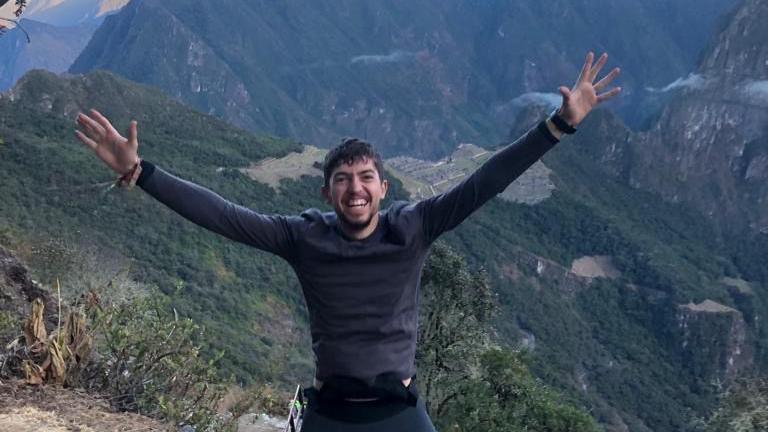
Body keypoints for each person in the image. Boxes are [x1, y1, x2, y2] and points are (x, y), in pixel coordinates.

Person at [75, 52, 620, 431]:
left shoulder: (415, 226)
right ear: (327, 190)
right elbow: (222, 214)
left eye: (365, 179)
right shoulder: (303, 237)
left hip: (398, 411)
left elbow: (487, 181)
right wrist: (142, 172)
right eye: (343, 179)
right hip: (330, 412)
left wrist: (558, 126)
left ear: (383, 187)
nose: (355, 189)